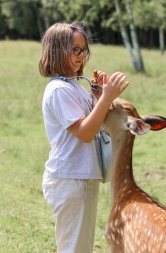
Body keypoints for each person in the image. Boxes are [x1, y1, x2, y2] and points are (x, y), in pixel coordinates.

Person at [39, 22, 129, 253]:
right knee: (74, 249)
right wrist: (108, 98)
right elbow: (86, 133)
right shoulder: (59, 90)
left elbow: (95, 124)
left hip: (82, 176)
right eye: (75, 50)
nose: (81, 56)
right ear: (57, 51)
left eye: (84, 50)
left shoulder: (75, 86)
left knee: (80, 247)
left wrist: (99, 95)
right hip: (70, 178)